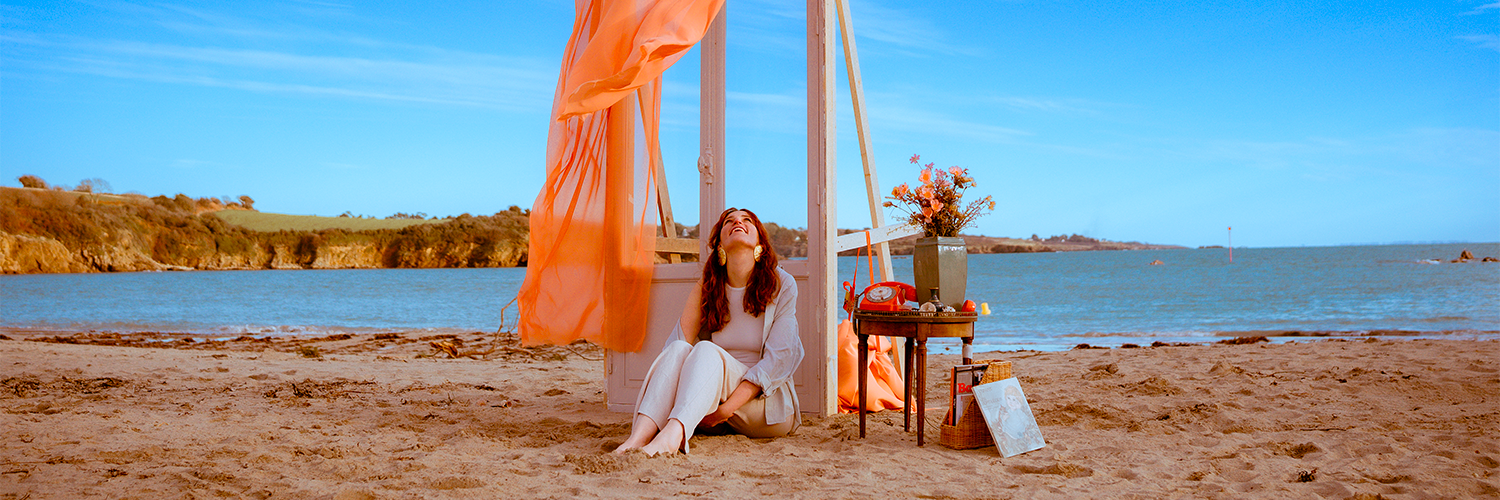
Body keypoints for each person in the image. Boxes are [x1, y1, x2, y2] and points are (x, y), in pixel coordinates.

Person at [613, 208, 804, 455]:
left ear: (761, 244)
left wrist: (725, 410)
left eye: (747, 220)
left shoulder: (782, 284)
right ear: (720, 245)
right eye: (730, 221)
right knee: (680, 348)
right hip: (709, 403)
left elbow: (778, 361)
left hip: (761, 408)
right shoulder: (709, 286)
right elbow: (676, 348)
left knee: (705, 349)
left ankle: (670, 439)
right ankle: (637, 439)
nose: (738, 222)